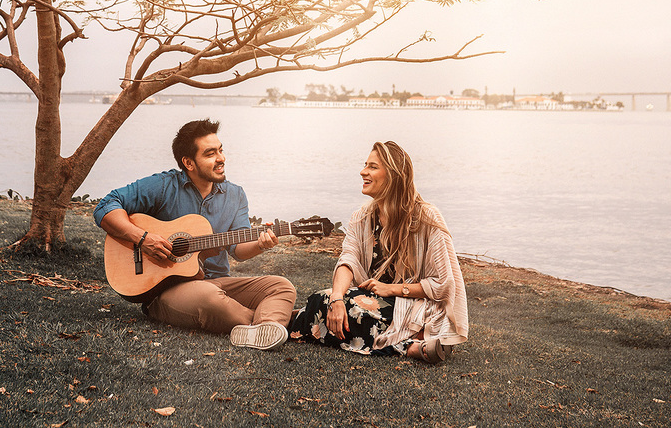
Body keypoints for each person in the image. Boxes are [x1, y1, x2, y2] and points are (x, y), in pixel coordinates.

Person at [93, 119, 296, 350]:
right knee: (209, 297)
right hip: (167, 291)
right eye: (210, 153)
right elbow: (106, 206)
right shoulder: (163, 185)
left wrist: (261, 245)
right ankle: (279, 324)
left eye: (220, 150)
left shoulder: (235, 195)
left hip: (219, 283)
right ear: (188, 163)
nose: (221, 158)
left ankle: (266, 328)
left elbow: (238, 250)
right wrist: (142, 238)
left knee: (281, 285)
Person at [289, 140, 468, 363]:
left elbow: (444, 285)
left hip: (414, 306)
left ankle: (293, 321)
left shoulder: (426, 217)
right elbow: (348, 261)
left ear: (393, 176)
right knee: (326, 299)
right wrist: (336, 298)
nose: (363, 171)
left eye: (373, 167)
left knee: (354, 311)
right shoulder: (362, 217)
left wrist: (391, 289)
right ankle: (412, 346)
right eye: (365, 165)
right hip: (369, 300)